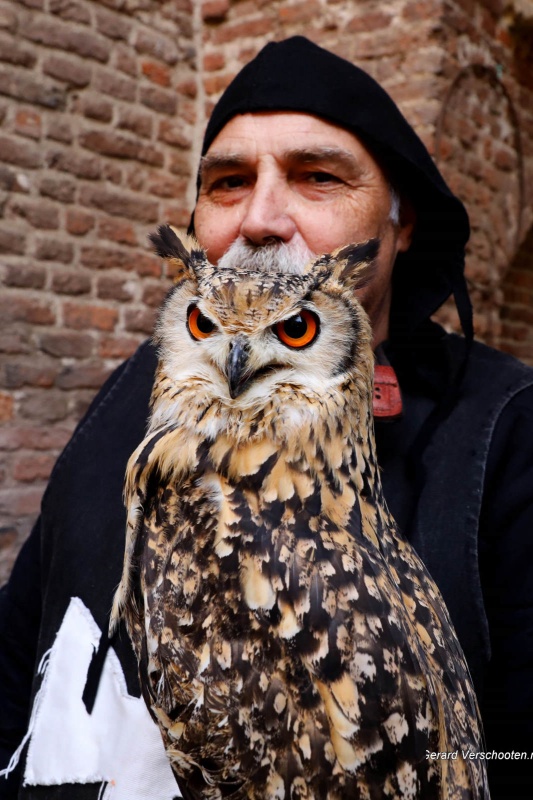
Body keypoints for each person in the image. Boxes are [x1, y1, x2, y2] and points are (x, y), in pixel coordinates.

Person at [1, 36, 532, 800]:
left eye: (316, 177)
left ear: (400, 220)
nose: (258, 218)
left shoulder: (504, 431)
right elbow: (24, 639)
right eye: (226, 182)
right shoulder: (138, 391)